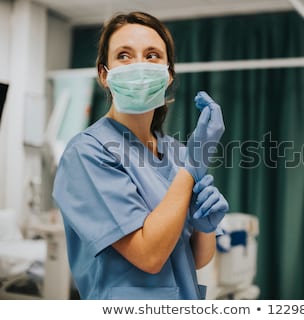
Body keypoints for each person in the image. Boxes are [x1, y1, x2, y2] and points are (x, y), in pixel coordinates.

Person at [52, 11, 229, 300]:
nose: (139, 66)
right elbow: (149, 256)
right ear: (103, 75)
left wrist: (204, 228)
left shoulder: (176, 152)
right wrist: (192, 166)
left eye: (152, 55)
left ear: (168, 74)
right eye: (124, 55)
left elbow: (193, 259)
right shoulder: (86, 153)